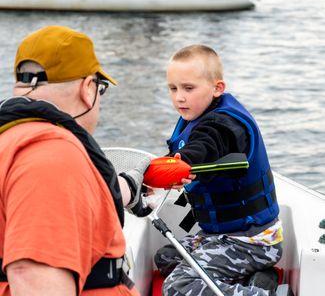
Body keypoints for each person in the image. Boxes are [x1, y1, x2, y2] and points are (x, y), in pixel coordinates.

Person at [0, 25, 151, 296]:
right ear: (88, 88)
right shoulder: (52, 156)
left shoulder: (12, 140)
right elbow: (33, 277)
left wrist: (130, 184)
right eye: (100, 89)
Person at [155, 45, 283, 296]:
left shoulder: (225, 125)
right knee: (166, 257)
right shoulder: (196, 114)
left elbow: (205, 145)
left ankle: (262, 294)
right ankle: (256, 280)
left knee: (176, 287)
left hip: (251, 241)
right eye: (173, 88)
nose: (179, 97)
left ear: (217, 88)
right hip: (219, 234)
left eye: (188, 88)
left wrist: (180, 163)